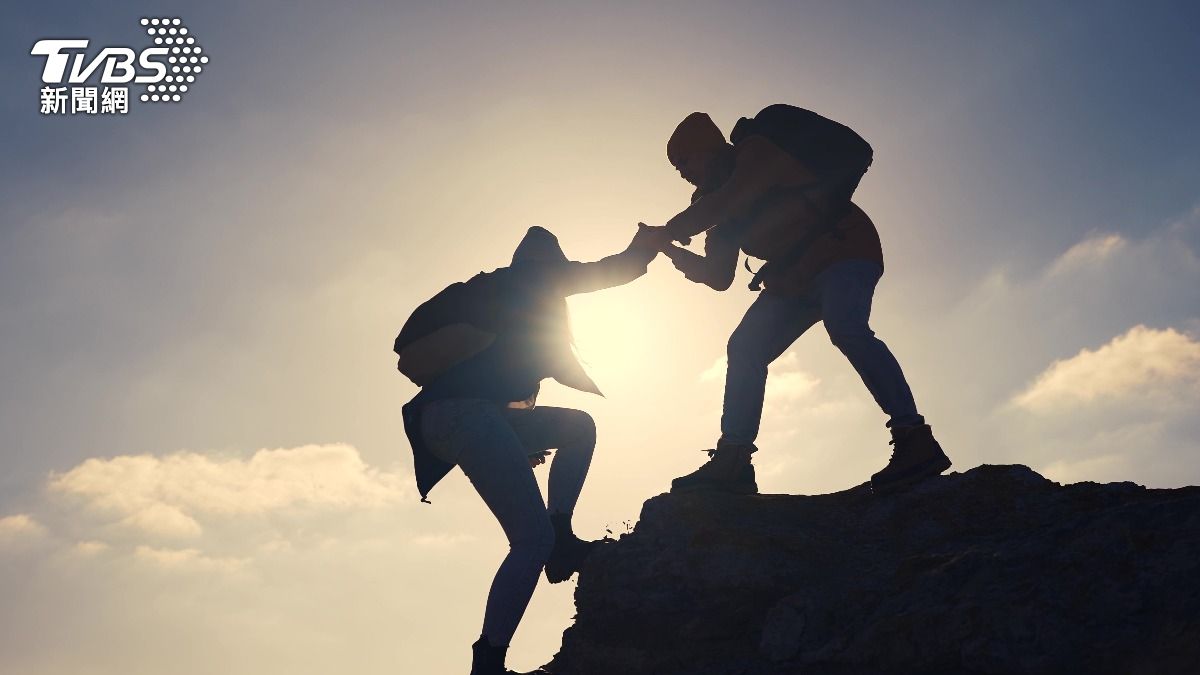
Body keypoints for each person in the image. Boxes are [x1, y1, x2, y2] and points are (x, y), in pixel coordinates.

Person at [397, 225, 665, 675]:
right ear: (548, 264)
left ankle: (560, 537)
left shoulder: (497, 296)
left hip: (456, 418)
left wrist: (514, 439)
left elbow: (487, 381)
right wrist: (647, 247)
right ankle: (489, 661)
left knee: (577, 428)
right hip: (466, 416)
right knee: (529, 540)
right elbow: (611, 272)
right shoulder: (531, 283)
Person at [657, 105, 951, 495]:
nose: (682, 171)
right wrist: (672, 251)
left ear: (708, 147)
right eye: (676, 166)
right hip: (792, 279)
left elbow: (730, 200)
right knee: (745, 346)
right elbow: (719, 276)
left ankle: (915, 439)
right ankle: (734, 460)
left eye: (684, 159)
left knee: (846, 327)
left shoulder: (756, 153)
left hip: (844, 250)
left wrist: (667, 231)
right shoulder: (711, 203)